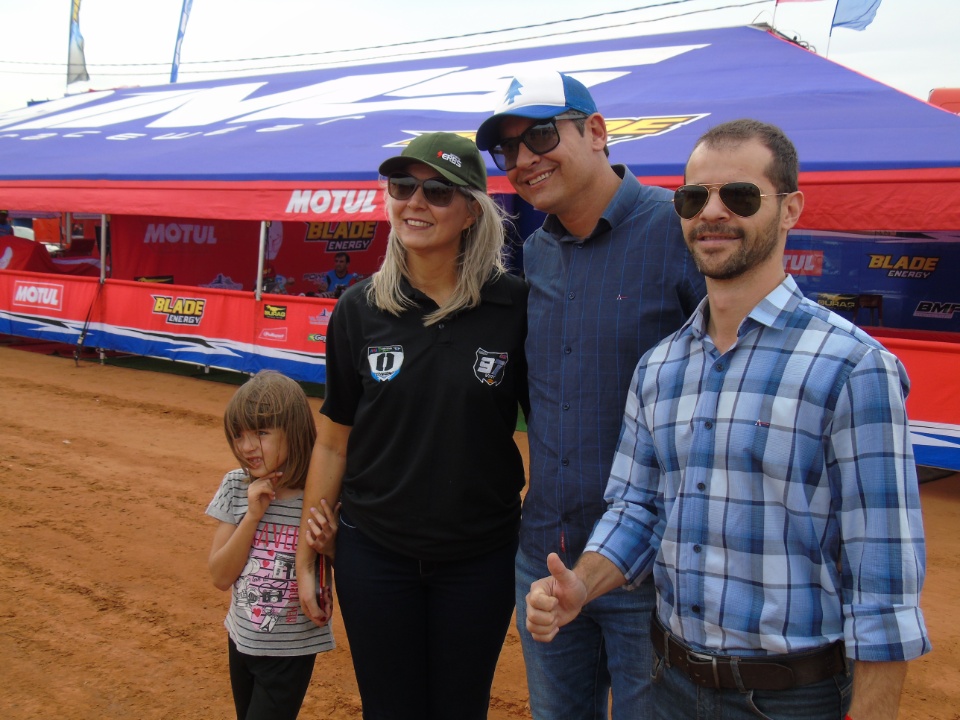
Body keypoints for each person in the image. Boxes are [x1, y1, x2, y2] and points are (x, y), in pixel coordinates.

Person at [525, 119, 931, 720]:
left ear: (789, 208)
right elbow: (638, 510)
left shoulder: (853, 368)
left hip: (792, 698)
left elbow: (884, 581)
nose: (712, 213)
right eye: (694, 198)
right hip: (668, 683)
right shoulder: (659, 368)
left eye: (739, 196)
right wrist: (582, 584)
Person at [474, 72, 706, 719]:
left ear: (597, 132)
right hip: (545, 561)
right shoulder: (536, 255)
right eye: (507, 150)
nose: (523, 160)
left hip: (651, 574)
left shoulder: (677, 230)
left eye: (541, 134)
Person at [295, 132, 529, 720]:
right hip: (375, 555)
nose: (415, 202)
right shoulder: (358, 308)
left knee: (460, 708)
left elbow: (548, 430)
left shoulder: (517, 307)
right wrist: (308, 549)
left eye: (437, 191)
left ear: (472, 210)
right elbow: (333, 436)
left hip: (480, 559)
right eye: (402, 187)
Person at [206, 370, 334, 720]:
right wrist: (251, 516)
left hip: (289, 651)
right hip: (240, 639)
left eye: (261, 433)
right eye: (239, 435)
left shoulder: (319, 493)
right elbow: (219, 575)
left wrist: (333, 546)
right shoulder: (236, 485)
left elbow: (350, 564)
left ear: (293, 430)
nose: (247, 447)